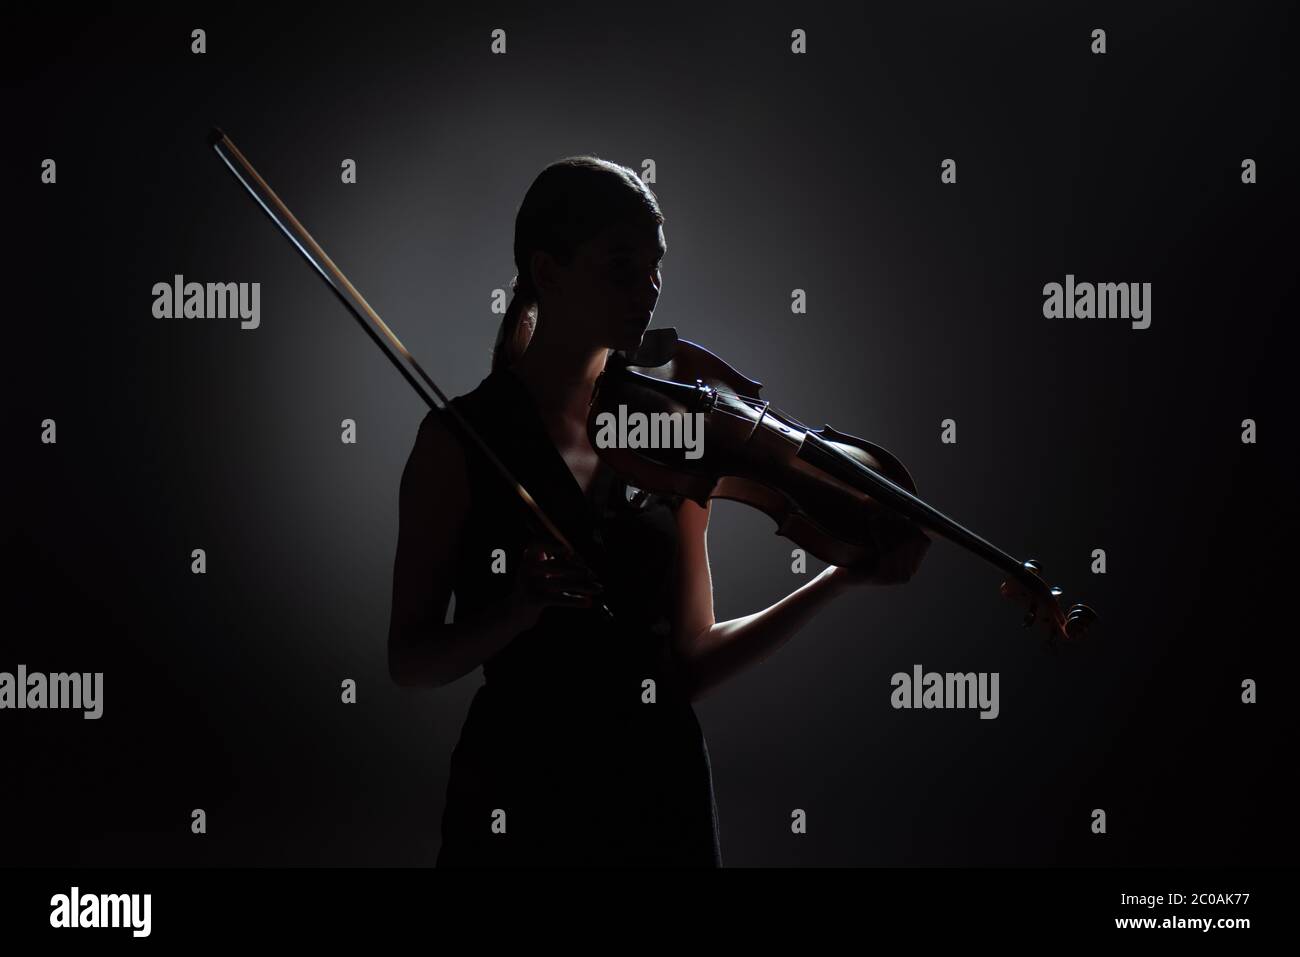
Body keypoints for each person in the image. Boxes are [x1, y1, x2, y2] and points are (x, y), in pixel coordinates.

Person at [387, 156, 931, 867]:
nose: (647, 290)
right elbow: (411, 660)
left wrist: (838, 579)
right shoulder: (457, 444)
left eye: (655, 267)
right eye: (621, 266)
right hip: (518, 796)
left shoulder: (672, 436)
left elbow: (692, 660)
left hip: (658, 798)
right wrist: (514, 610)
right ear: (547, 272)